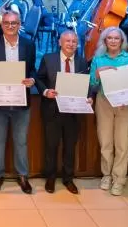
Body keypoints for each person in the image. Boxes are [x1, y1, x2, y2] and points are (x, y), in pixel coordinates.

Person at [0, 10, 36, 194]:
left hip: (21, 101)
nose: (10, 26)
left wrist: (32, 80)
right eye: (6, 23)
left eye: (14, 23)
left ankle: (23, 176)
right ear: (2, 25)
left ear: (19, 25)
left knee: (21, 141)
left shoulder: (28, 45)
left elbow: (32, 69)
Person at [35, 30, 91, 194]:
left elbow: (86, 84)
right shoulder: (48, 59)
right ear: (60, 42)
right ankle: (50, 178)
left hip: (74, 112)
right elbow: (39, 78)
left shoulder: (82, 62)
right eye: (67, 41)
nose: (71, 44)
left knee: (70, 147)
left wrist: (89, 97)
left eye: (74, 41)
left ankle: (68, 178)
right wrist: (46, 91)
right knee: (51, 146)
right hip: (52, 110)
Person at [89, 26, 128, 196]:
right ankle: (107, 175)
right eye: (109, 38)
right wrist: (97, 74)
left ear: (122, 41)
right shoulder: (98, 59)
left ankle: (119, 179)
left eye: (116, 38)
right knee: (105, 142)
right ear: (104, 41)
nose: (113, 41)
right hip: (104, 102)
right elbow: (93, 85)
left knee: (122, 143)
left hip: (125, 104)